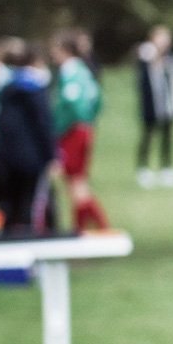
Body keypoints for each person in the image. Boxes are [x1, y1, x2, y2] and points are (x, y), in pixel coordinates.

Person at [0, 40, 58, 237]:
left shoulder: (0, 87)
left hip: (6, 156)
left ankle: (8, 244)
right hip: (31, 156)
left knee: (9, 207)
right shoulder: (36, 87)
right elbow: (43, 124)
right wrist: (51, 155)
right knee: (29, 206)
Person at [49, 29, 109, 233]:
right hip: (83, 128)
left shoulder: (70, 70)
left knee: (75, 182)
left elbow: (72, 104)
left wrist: (58, 128)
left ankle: (95, 227)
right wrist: (89, 119)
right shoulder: (84, 69)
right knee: (77, 181)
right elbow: (99, 99)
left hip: (73, 131)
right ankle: (85, 228)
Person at [135, 26, 173, 188]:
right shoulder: (146, 56)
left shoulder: (170, 59)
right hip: (151, 105)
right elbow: (141, 81)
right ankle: (143, 168)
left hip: (166, 105)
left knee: (167, 138)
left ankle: (166, 168)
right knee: (147, 136)